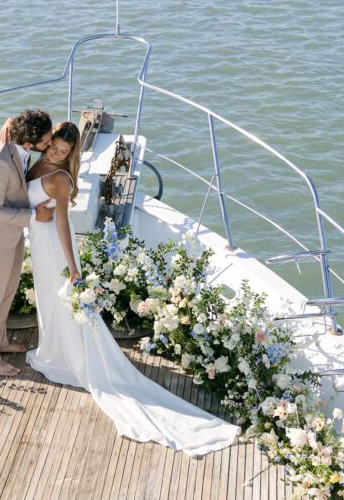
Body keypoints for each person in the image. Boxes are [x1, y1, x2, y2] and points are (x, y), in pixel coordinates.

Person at [24, 121, 240, 456]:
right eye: (53, 146)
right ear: (48, 140)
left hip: (54, 247)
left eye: (63, 152)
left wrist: (73, 270)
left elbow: (63, 222)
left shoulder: (60, 180)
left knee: (59, 300)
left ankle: (66, 356)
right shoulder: (36, 159)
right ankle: (52, 347)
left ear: (71, 155)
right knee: (47, 301)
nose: (55, 152)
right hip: (38, 241)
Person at [0, 109, 55, 376]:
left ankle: (1, 341)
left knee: (9, 288)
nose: (50, 145)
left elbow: (11, 121)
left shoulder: (15, 136)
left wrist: (7, 120)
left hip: (13, 230)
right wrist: (33, 216)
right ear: (28, 142)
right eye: (46, 141)